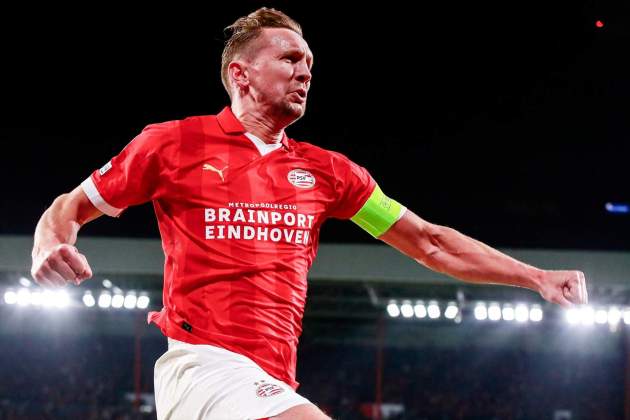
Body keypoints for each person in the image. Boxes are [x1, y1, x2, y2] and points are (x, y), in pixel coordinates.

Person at [30, 7, 588, 420]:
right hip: (203, 365)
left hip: (274, 378)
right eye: (290, 59)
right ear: (241, 74)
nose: (305, 72)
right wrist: (50, 246)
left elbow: (429, 243)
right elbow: (68, 207)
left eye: (310, 64)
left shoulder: (329, 172)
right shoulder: (172, 144)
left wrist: (536, 277)